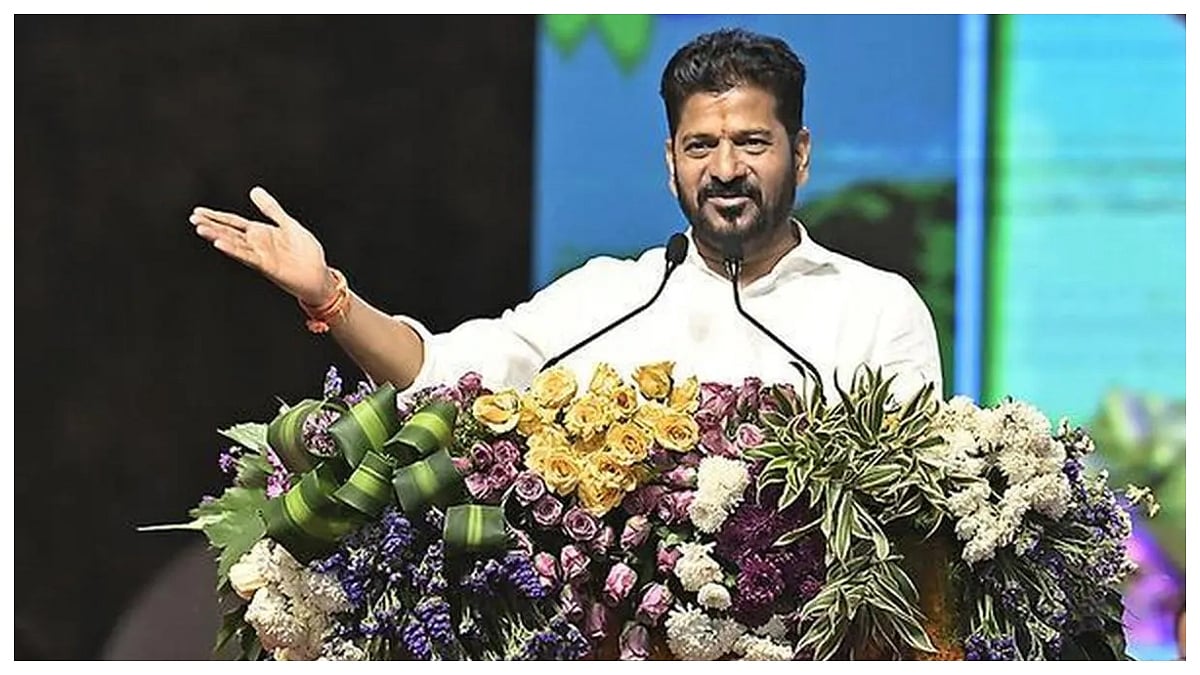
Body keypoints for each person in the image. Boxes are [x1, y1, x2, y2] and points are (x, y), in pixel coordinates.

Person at [190, 28, 942, 401]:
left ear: (800, 154)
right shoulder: (609, 297)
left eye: (751, 143)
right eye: (699, 146)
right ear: (670, 161)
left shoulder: (876, 308)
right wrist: (328, 296)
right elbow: (443, 374)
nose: (724, 170)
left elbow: (917, 511)